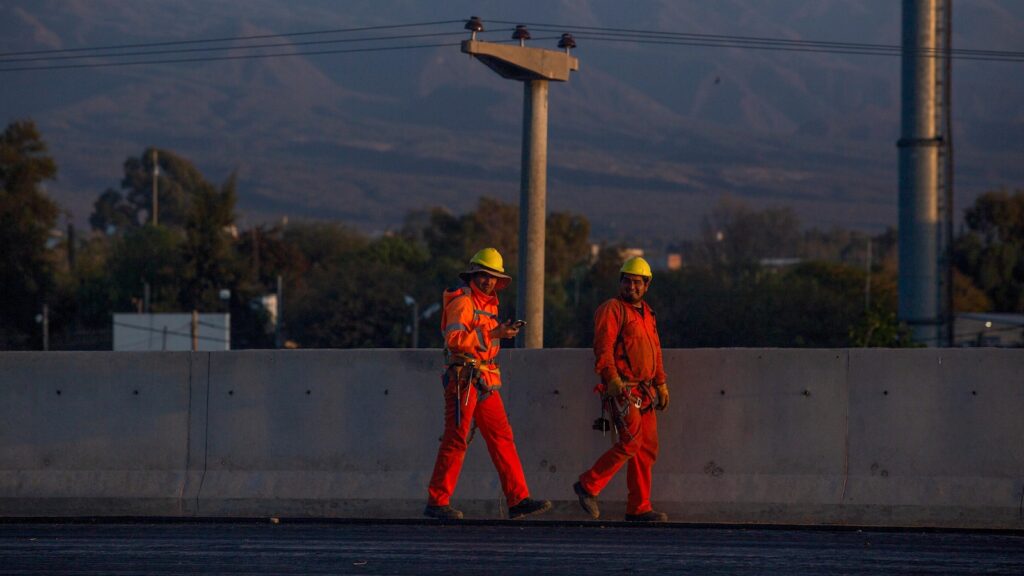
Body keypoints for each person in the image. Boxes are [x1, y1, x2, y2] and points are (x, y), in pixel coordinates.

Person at [424, 248, 552, 520]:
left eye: (493, 277)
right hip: (464, 379)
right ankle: (437, 501)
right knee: (457, 439)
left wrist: (497, 334)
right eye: (484, 275)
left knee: (502, 438)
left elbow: (480, 340)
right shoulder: (462, 302)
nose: (488, 281)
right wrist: (495, 333)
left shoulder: (490, 304)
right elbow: (455, 340)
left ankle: (518, 500)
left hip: (483, 381)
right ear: (473, 275)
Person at [573, 256, 670, 522]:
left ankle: (639, 507)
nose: (632, 286)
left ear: (646, 285)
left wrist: (660, 382)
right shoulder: (612, 310)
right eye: (627, 281)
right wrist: (612, 379)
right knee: (631, 442)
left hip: (645, 390)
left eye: (637, 282)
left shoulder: (648, 314)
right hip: (623, 389)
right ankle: (588, 485)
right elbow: (603, 348)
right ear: (621, 282)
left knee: (646, 448)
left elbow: (655, 351)